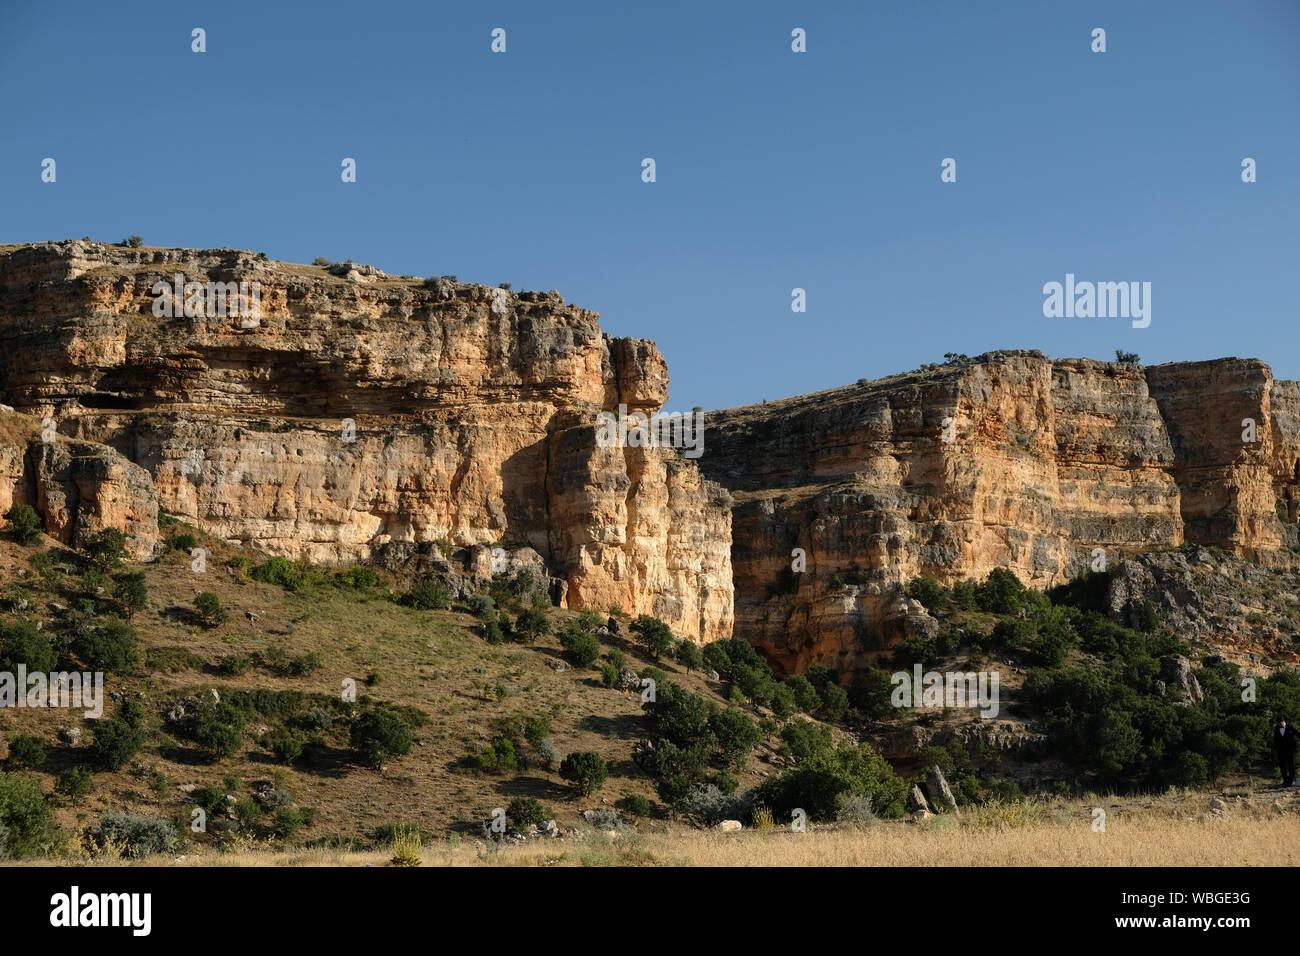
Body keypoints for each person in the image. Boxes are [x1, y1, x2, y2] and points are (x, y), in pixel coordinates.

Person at [1273, 717, 1297, 787]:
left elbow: (1297, 733)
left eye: (1280, 722)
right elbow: (1275, 739)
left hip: (1290, 749)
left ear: (1283, 721)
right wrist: (1274, 749)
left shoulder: (1290, 727)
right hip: (1281, 750)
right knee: (1282, 765)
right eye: (1278, 723)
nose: (1279, 724)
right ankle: (1285, 780)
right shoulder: (1276, 728)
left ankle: (1291, 780)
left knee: (1291, 765)